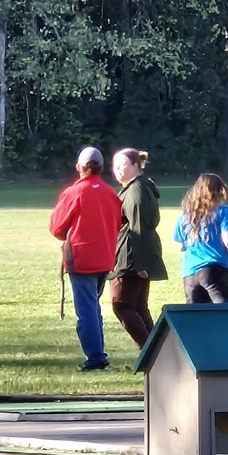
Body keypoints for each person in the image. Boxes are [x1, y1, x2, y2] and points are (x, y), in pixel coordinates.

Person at [49, 146, 122, 372]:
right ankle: (98, 352)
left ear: (79, 167)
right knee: (93, 306)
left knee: (87, 310)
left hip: (81, 258)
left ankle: (95, 357)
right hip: (105, 258)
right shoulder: (111, 193)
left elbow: (55, 226)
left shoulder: (74, 192)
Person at [107, 147, 168, 349]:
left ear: (136, 165)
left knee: (122, 305)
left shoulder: (136, 190)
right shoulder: (140, 187)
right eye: (115, 165)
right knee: (138, 307)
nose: (117, 169)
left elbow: (138, 227)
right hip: (137, 254)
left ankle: (149, 353)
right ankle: (157, 352)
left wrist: (141, 263)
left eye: (123, 164)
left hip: (131, 256)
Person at [173, 173, 228, 304]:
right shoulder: (222, 211)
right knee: (225, 313)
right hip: (213, 268)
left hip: (189, 272)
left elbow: (181, 246)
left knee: (197, 318)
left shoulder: (183, 216)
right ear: (219, 191)